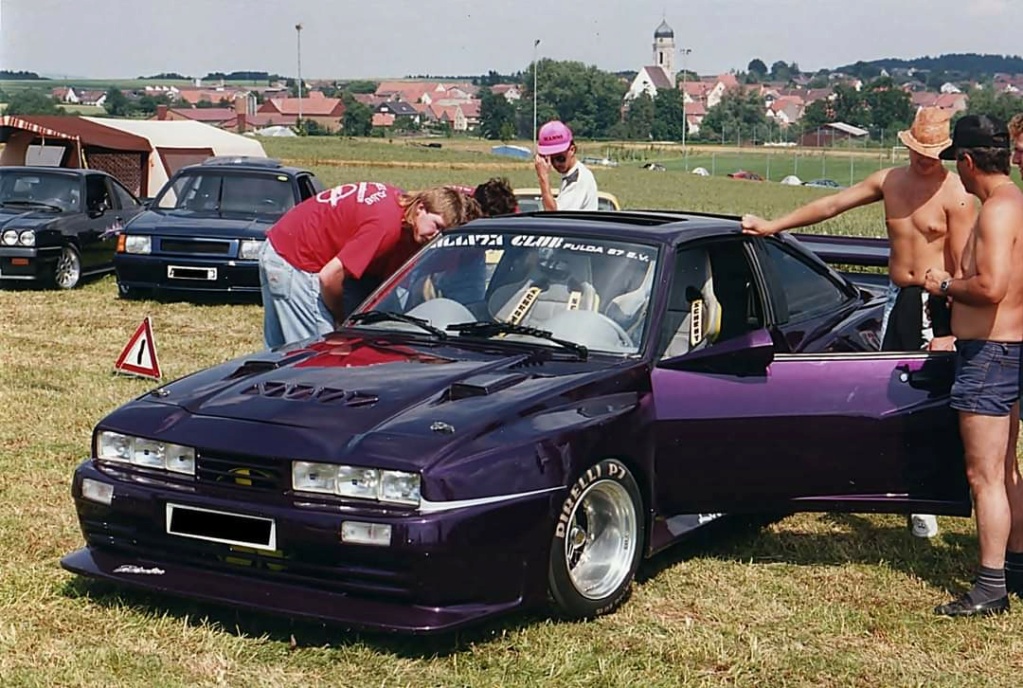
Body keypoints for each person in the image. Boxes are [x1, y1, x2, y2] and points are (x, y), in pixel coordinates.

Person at [742, 106, 976, 538]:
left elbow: (962, 271)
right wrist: (772, 226)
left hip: (934, 303)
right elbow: (832, 203)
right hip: (895, 299)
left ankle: (928, 496)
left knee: (933, 401)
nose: (923, 158)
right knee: (890, 392)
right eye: (917, 149)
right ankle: (893, 481)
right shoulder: (889, 180)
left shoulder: (956, 195)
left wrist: (947, 331)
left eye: (931, 151)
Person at [923, 114, 1023, 617]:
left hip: (990, 353)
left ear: (967, 161)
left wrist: (942, 286)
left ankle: (990, 588)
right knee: (1005, 470)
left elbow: (990, 287)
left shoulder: (996, 212)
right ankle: (1017, 567)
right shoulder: (1017, 203)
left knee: (983, 474)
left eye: (955, 165)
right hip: (1010, 349)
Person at [259, 181, 481, 348]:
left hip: (282, 244)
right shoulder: (385, 226)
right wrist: (339, 319)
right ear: (421, 207)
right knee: (318, 352)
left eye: (444, 232)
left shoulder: (401, 211)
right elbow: (329, 277)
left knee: (282, 351)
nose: (436, 236)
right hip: (297, 258)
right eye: (437, 226)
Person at [534, 120, 599, 211]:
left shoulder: (578, 179)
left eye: (560, 158)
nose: (556, 164)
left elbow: (553, 214)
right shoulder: (571, 176)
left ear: (572, 150)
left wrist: (543, 177)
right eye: (551, 159)